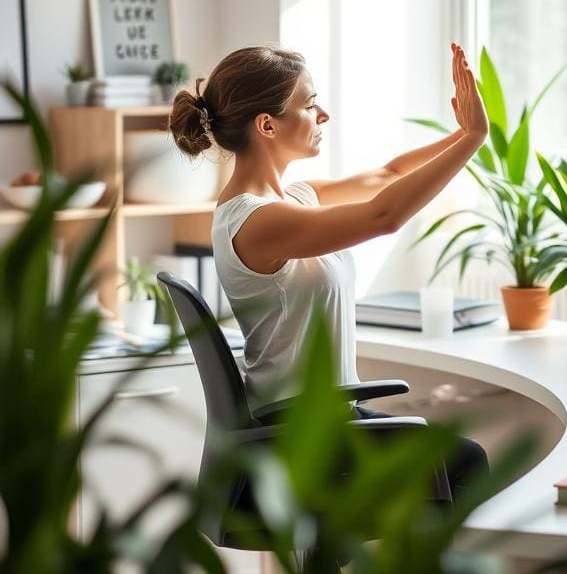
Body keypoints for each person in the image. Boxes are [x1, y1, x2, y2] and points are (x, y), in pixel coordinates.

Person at [169, 42, 490, 502]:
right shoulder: (257, 221)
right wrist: (474, 139)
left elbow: (387, 176)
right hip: (298, 432)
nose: (324, 116)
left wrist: (463, 134)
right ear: (267, 124)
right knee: (465, 463)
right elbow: (384, 216)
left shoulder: (293, 198)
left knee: (454, 460)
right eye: (310, 103)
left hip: (318, 418)